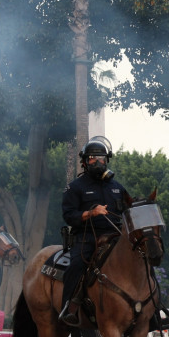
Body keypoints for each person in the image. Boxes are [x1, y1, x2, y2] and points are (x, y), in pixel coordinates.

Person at [59, 136, 130, 326]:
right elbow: (69, 216)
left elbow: (128, 210)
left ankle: (156, 309)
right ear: (84, 162)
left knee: (142, 256)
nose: (98, 162)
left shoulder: (117, 187)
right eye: (92, 158)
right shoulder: (75, 188)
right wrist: (91, 212)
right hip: (87, 237)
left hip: (115, 236)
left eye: (101, 158)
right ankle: (68, 308)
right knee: (75, 266)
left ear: (107, 160)